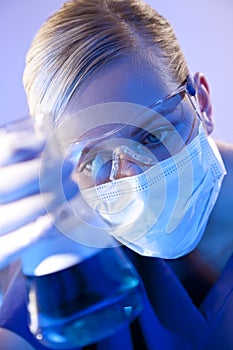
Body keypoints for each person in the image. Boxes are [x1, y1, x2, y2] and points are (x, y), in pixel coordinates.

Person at [0, 0, 233, 349]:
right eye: (93, 161)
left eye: (153, 135)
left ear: (201, 102)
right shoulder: (81, 258)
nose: (132, 176)